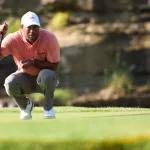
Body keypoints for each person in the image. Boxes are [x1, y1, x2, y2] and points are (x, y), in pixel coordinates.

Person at [0, 11, 60, 120]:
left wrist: (33, 62)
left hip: (45, 80)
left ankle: (48, 108)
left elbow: (54, 66)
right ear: (22, 27)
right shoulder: (13, 39)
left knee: (47, 75)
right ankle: (25, 107)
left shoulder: (49, 38)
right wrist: (0, 35)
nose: (32, 31)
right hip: (24, 78)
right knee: (9, 82)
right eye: (29, 28)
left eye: (35, 27)